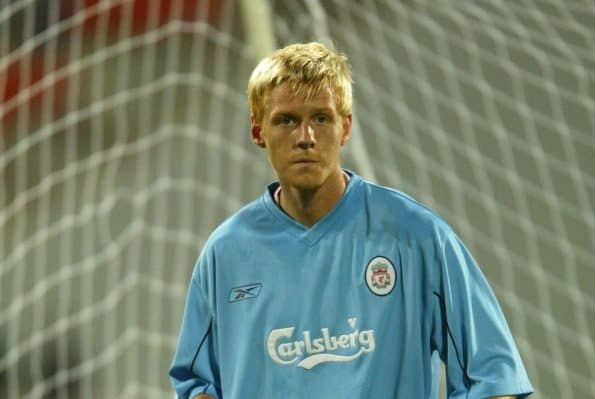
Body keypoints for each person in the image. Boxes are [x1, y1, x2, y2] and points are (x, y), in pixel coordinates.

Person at [169, 42, 533, 399]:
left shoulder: (416, 236)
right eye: (287, 120)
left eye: (321, 118)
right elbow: (198, 386)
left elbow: (492, 376)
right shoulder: (226, 252)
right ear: (257, 130)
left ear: (345, 128)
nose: (306, 137)